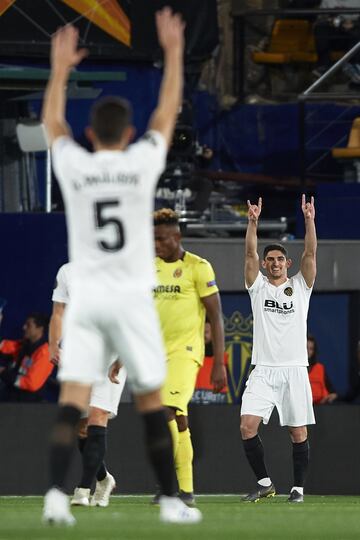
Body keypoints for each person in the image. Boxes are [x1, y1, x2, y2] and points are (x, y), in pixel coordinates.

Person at [41, 10, 201, 526]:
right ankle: (173, 501)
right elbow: (167, 112)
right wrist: (174, 52)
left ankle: (54, 497)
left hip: (87, 299)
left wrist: (59, 70)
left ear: (91, 133)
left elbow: (53, 124)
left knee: (72, 404)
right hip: (131, 299)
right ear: (128, 132)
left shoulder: (76, 165)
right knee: (152, 402)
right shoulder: (139, 164)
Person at [240, 194, 317, 504]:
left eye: (279, 259)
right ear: (265, 263)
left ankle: (297, 489)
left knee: (297, 433)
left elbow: (311, 251)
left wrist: (309, 219)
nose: (273, 263)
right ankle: (265, 484)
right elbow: (248, 253)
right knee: (247, 425)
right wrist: (252, 222)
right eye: (269, 259)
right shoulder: (257, 287)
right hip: (263, 369)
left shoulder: (300, 286)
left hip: (295, 369)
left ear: (288, 263)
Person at [153, 208, 227, 505]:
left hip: (186, 353)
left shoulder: (199, 267)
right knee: (179, 419)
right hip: (155, 355)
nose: (156, 245)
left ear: (176, 236)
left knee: (166, 413)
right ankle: (186, 490)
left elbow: (216, 317)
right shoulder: (151, 268)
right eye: (153, 239)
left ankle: (171, 487)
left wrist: (218, 362)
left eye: (161, 239)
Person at [49, 262, 127, 507]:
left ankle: (82, 489)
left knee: (98, 414)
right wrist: (53, 344)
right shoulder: (67, 271)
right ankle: (104, 480)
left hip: (111, 353)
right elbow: (58, 312)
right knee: (81, 429)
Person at [313, 0, 360, 82]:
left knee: (357, 31)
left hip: (352, 33)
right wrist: (332, 21)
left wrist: (354, 24)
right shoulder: (327, 1)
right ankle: (324, 65)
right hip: (334, 34)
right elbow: (320, 18)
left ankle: (354, 65)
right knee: (321, 28)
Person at [307, 334, 338, 404]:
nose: (308, 351)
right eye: (306, 348)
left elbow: (332, 391)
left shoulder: (320, 368)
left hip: (321, 407)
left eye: (311, 349)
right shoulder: (297, 370)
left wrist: (331, 396)